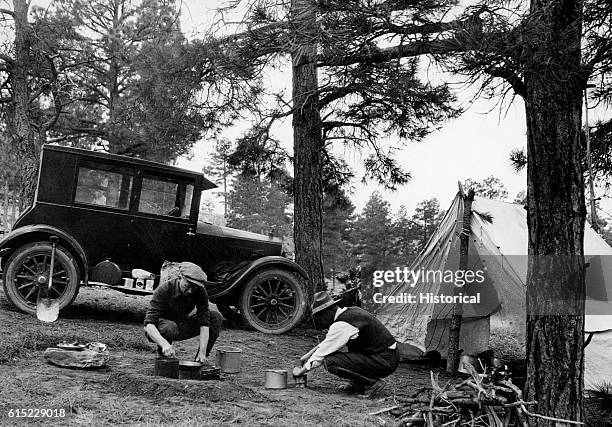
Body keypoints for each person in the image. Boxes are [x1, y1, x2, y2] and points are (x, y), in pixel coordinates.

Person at [292, 291, 399, 397]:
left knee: (329, 361)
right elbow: (327, 343)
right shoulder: (350, 312)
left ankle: (372, 383)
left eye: (320, 317)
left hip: (384, 360)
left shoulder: (342, 324)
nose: (321, 322)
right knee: (350, 350)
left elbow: (322, 354)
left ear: (327, 313)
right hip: (384, 356)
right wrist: (307, 356)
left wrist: (301, 371)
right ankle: (357, 383)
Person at [144, 262, 223, 363]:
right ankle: (165, 356)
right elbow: (148, 325)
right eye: (188, 285)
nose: (190, 291)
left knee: (216, 317)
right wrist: (164, 344)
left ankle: (200, 359)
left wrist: (202, 352)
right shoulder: (164, 289)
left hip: (181, 325)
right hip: (160, 329)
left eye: (194, 287)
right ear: (180, 277)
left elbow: (204, 323)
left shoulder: (200, 291)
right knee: (170, 327)